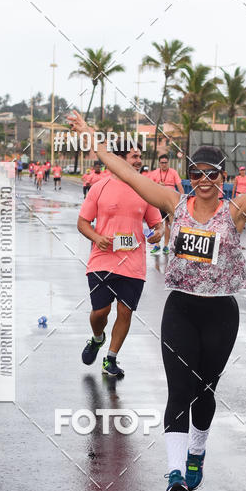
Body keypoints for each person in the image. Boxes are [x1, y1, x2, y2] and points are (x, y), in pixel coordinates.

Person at [67, 108, 246, 491]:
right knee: (179, 391)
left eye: (212, 173)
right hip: (180, 309)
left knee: (204, 391)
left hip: (220, 314)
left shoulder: (236, 210)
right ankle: (176, 473)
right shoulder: (172, 202)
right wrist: (90, 134)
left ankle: (197, 452)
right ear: (189, 176)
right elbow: (124, 172)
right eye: (196, 173)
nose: (203, 181)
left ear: (222, 177)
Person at [77, 145, 163, 379]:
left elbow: (157, 223)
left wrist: (159, 231)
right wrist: (97, 237)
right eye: (134, 156)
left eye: (139, 156)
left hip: (133, 263)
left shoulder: (145, 190)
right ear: (119, 160)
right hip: (102, 260)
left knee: (125, 312)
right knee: (100, 311)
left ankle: (111, 359)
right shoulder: (99, 187)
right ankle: (97, 338)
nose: (139, 160)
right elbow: (83, 222)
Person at [148, 154, 184, 255]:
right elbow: (149, 187)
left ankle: (166, 245)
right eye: (162, 163)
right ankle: (157, 245)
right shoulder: (154, 173)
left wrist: (183, 199)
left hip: (169, 202)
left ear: (168, 163)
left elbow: (179, 186)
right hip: (158, 201)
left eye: (165, 162)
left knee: (168, 224)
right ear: (159, 163)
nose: (164, 164)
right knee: (157, 224)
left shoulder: (173, 172)